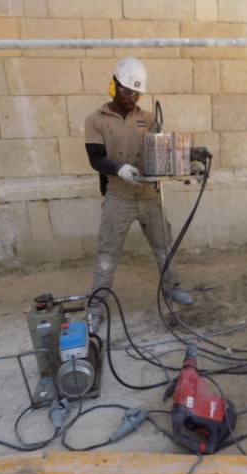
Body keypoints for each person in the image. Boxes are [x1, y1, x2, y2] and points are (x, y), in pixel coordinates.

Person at [84, 57, 193, 332]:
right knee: (107, 254)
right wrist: (119, 169)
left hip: (148, 197)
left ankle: (172, 288)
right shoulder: (95, 121)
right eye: (126, 91)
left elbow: (162, 152)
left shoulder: (148, 119)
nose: (132, 97)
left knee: (164, 246)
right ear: (113, 86)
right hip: (118, 198)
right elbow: (95, 158)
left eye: (136, 92)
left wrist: (188, 160)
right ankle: (96, 308)